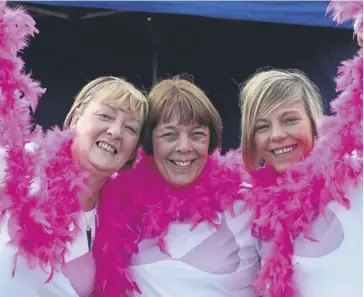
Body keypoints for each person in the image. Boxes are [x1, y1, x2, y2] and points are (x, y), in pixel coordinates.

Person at [92, 77, 260, 297]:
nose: (184, 147)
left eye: (197, 135)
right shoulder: (118, 204)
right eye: (169, 135)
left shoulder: (249, 204)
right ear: (150, 142)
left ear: (210, 141)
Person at [0, 76, 149, 297]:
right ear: (76, 119)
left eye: (130, 128)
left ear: (133, 151)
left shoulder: (125, 224)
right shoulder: (20, 166)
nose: (116, 131)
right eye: (105, 116)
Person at [240, 68, 362, 297]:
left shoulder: (354, 177)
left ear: (314, 123)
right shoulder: (251, 209)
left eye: (290, 120)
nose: (276, 135)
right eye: (263, 126)